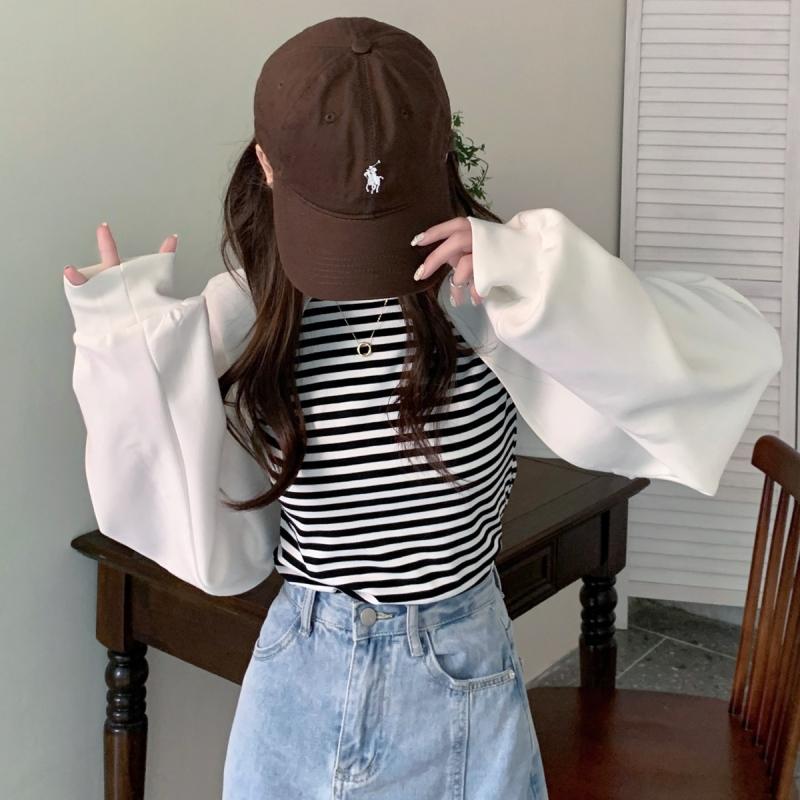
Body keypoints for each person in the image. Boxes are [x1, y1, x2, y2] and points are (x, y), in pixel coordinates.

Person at [62, 16, 782, 800]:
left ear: (441, 152)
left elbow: (731, 349)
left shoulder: (494, 294)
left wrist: (539, 279)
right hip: (299, 676)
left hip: (457, 673)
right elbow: (179, 513)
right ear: (264, 163)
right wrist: (126, 350)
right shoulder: (252, 310)